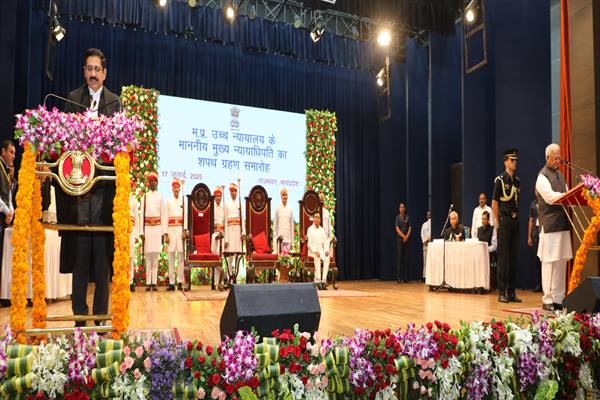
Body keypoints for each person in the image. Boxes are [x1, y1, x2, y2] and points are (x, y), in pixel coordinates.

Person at [57, 48, 121, 326]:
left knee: (102, 257)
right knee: (81, 255)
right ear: (84, 72)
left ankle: (101, 317)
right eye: (89, 69)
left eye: (97, 69)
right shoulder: (72, 100)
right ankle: (79, 316)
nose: (93, 74)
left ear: (104, 73)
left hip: (104, 189)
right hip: (79, 189)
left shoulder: (114, 103)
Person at [535, 143, 573, 311]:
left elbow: (567, 193)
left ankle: (558, 298)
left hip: (562, 225)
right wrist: (566, 195)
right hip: (550, 226)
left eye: (559, 157)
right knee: (549, 263)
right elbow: (550, 197)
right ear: (547, 157)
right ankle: (548, 299)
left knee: (561, 262)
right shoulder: (541, 177)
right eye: (555, 158)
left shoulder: (561, 176)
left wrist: (571, 195)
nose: (558, 161)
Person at [492, 148, 521, 303]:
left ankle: (511, 291)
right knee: (503, 258)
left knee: (513, 257)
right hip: (504, 221)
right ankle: (502, 292)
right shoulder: (500, 180)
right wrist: (497, 223)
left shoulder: (517, 181)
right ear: (505, 162)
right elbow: (494, 203)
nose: (514, 162)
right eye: (512, 160)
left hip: (515, 221)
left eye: (515, 160)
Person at [140, 172, 167, 291]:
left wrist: (163, 233)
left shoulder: (160, 197)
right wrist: (141, 232)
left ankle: (154, 283)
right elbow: (141, 215)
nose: (153, 183)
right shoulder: (144, 197)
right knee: (148, 256)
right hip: (147, 228)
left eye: (155, 181)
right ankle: (148, 283)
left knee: (155, 256)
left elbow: (163, 215)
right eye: (151, 181)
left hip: (157, 228)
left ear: (157, 183)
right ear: (148, 183)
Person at [166, 178, 188, 291]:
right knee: (171, 256)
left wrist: (185, 230)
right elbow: (165, 217)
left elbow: (186, 216)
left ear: (179, 189)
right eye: (174, 187)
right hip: (170, 230)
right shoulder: (168, 201)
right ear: (172, 188)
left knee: (180, 256)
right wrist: (165, 234)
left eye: (177, 187)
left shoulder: (183, 201)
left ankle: (179, 281)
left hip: (179, 230)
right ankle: (171, 282)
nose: (176, 189)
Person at [0, 140, 15, 297]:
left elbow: (9, 194)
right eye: (11, 152)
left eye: (14, 153)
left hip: (4, 217)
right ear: (3, 151)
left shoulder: (7, 170)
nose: (13, 156)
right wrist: (6, 210)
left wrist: (11, 211)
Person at [224, 183, 245, 276]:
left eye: (235, 191)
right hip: (230, 232)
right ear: (230, 192)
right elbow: (225, 221)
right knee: (230, 256)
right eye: (232, 191)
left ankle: (238, 276)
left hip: (238, 232)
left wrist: (243, 232)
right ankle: (229, 276)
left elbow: (242, 219)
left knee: (238, 255)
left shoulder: (240, 204)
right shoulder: (226, 204)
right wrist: (226, 239)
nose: (234, 193)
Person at [307, 213, 330, 290]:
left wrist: (326, 250)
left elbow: (325, 242)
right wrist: (315, 251)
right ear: (313, 219)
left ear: (320, 219)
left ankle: (324, 280)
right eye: (316, 217)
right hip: (312, 251)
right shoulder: (310, 229)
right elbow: (309, 243)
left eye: (318, 217)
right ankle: (318, 280)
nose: (317, 219)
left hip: (320, 250)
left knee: (327, 257)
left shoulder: (322, 230)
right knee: (317, 256)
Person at [477, 211, 497, 290]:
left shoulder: (492, 229)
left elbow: (495, 246)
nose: (483, 221)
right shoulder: (479, 229)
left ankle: (489, 285)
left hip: (489, 255)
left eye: (484, 219)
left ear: (488, 220)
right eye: (482, 219)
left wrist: (486, 250)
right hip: (479, 255)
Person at [528, 190, 542, 292]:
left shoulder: (545, 202)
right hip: (536, 232)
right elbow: (531, 220)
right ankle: (538, 285)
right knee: (537, 259)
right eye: (535, 190)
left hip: (544, 231)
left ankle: (546, 285)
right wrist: (529, 236)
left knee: (544, 259)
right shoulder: (532, 204)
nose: (537, 192)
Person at [212, 186, 225, 291]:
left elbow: (224, 222)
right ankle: (215, 282)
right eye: (217, 196)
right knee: (215, 258)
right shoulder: (212, 207)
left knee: (221, 259)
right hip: (214, 236)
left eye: (220, 196)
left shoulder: (223, 208)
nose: (218, 198)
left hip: (222, 235)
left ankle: (220, 282)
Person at [274, 188, 294, 253]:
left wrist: (292, 242)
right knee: (280, 257)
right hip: (280, 239)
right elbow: (275, 225)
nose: (285, 196)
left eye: (286, 195)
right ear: (281, 197)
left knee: (287, 258)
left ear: (288, 196)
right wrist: (275, 239)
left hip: (288, 239)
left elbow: (292, 226)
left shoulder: (290, 209)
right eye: (283, 195)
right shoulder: (277, 209)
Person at [395, 203, 411, 283]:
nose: (402, 208)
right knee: (400, 258)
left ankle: (405, 277)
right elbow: (397, 229)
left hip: (407, 240)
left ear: (405, 208)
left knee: (406, 258)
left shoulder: (407, 217)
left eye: (403, 207)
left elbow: (410, 228)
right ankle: (399, 277)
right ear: (399, 209)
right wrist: (403, 236)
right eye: (400, 207)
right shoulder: (397, 218)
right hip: (400, 240)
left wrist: (407, 236)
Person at [129, 193, 140, 292]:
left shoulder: (133, 199)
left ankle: (130, 282)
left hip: (131, 230)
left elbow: (137, 217)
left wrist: (136, 235)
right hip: (120, 229)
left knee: (131, 257)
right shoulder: (118, 195)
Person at [420, 210, 431, 281]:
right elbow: (422, 233)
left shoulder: (433, 224)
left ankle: (430, 276)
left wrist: (428, 240)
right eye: (428, 214)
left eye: (430, 214)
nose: (429, 215)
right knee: (425, 262)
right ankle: (424, 276)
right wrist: (424, 241)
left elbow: (432, 233)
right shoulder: (424, 224)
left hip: (430, 244)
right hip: (425, 245)